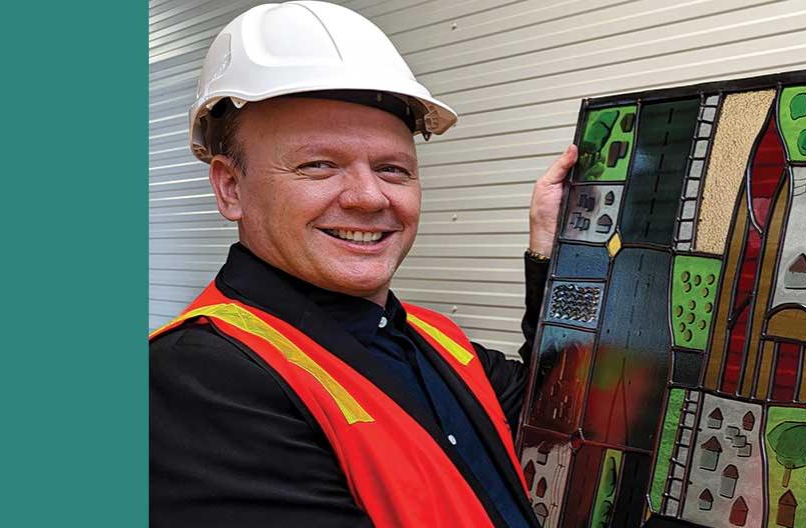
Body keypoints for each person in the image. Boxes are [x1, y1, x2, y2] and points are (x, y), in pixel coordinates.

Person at [148, 2, 576, 527]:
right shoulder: (199, 381)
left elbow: (563, 412)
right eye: (318, 165)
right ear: (231, 188)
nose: (370, 197)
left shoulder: (435, 339)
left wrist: (561, 257)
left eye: (393, 169)